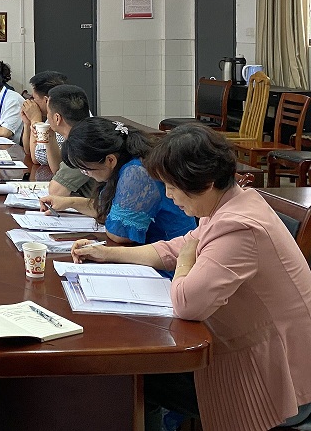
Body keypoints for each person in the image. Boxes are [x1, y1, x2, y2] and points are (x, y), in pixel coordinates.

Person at [72, 125, 311, 431]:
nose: (168, 196)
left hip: (274, 377)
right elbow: (176, 247)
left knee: (133, 377)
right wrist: (107, 254)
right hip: (256, 349)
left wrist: (185, 262)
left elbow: (188, 303)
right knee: (139, 372)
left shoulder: (240, 227)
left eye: (172, 187)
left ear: (206, 182)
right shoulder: (230, 203)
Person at [41, 117, 196, 244]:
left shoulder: (136, 173)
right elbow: (105, 209)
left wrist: (108, 216)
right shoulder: (126, 158)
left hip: (171, 259)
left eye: (86, 169)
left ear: (110, 160)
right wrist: (69, 202)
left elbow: (120, 235)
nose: (86, 174)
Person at [42, 84, 96, 198]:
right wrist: (49, 136)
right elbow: (59, 170)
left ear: (57, 118)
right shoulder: (84, 132)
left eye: (48, 113)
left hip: (103, 207)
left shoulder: (84, 143)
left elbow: (56, 192)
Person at [19, 70, 68, 165]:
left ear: (47, 101)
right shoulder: (52, 112)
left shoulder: (63, 117)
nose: (33, 102)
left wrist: (35, 119)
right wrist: (27, 123)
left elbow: (37, 158)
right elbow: (28, 151)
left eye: (34, 98)